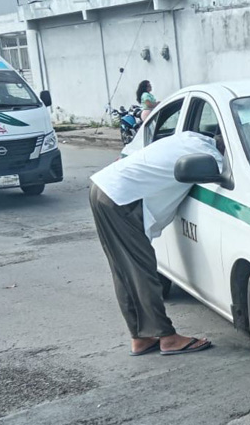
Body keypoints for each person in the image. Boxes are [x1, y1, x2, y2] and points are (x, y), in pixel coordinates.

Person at [89, 130, 224, 356]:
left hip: (105, 188)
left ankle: (140, 338)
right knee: (141, 271)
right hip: (122, 199)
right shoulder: (210, 157)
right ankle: (167, 338)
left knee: (124, 272)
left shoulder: (190, 137)